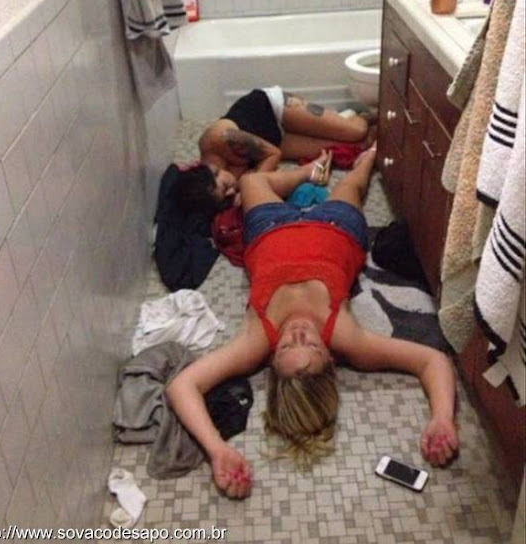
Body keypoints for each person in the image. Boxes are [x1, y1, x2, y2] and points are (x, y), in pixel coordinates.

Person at [166, 149, 459, 499]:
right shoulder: (346, 336)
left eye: (287, 346)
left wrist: (217, 450)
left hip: (269, 228)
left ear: (271, 359)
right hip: (337, 228)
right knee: (354, 182)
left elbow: (182, 386)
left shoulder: (257, 340)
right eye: (310, 344)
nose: (297, 333)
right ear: (330, 357)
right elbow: (432, 360)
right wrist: (443, 417)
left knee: (251, 181)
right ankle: (367, 159)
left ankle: (307, 172)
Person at [172, 86, 375, 214]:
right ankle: (351, 125)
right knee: (355, 147)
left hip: (274, 111)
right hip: (276, 140)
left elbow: (272, 155)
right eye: (225, 196)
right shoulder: (217, 183)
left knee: (357, 131)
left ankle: (364, 115)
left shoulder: (223, 139)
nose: (231, 192)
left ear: (213, 171)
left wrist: (252, 186)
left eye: (226, 188)